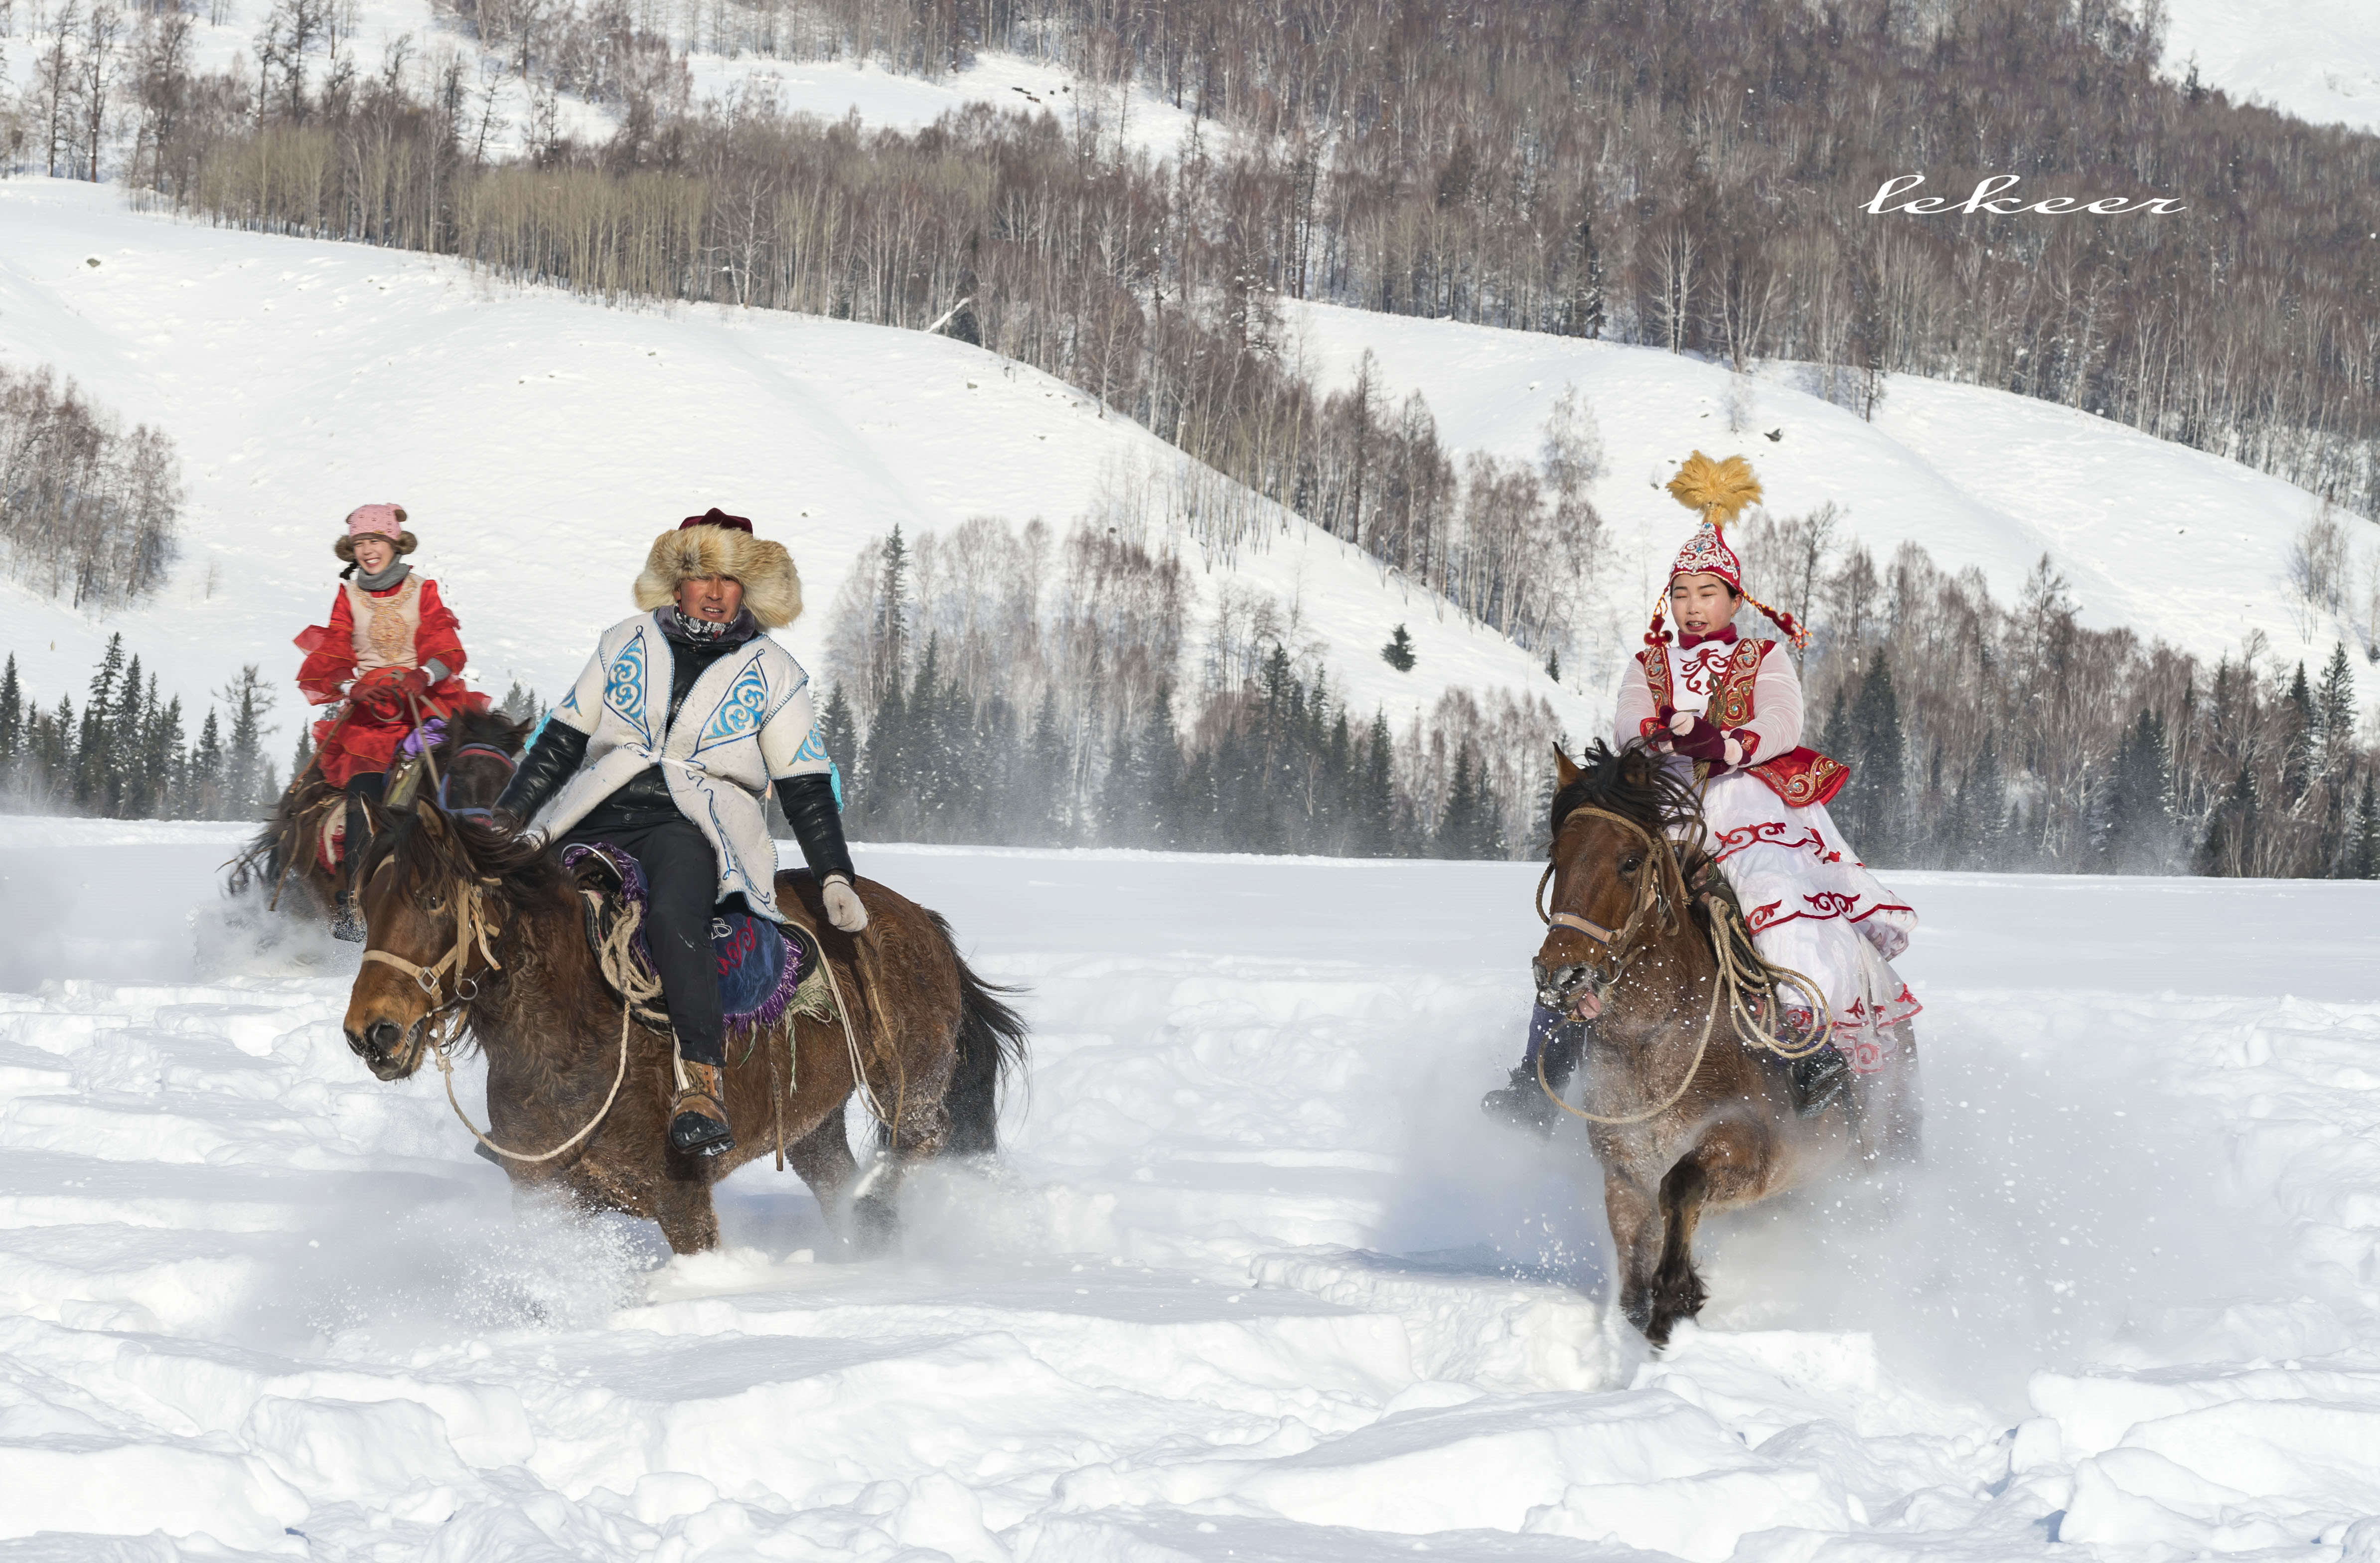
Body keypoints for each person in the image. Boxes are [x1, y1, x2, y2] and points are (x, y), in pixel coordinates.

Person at [1484, 452, 1920, 1132]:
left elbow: (1783, 721)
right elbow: (1631, 718)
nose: (1693, 607)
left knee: (1776, 901)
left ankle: (1808, 1048)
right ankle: (1541, 1071)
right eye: (1682, 594)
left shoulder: (1762, 658)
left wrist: (1725, 744)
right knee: (1587, 915)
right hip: (1666, 810)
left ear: (1733, 600)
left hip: (1747, 806)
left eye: (1707, 594)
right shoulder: (1649, 663)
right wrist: (1661, 735)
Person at [492, 508, 865, 1158]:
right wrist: (508, 822)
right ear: (676, 582)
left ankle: (700, 1081)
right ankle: (523, 1097)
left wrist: (833, 874)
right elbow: (563, 740)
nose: (715, 592)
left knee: (672, 918)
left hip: (696, 828)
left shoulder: (771, 670)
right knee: (520, 919)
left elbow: (804, 782)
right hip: (591, 816)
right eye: (701, 576)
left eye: (730, 578)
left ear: (750, 589)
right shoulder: (623, 642)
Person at [295, 504, 488, 940]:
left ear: (394, 543)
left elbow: (444, 642)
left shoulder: (423, 590)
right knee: (364, 800)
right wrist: (350, 687)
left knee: (465, 784)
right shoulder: (348, 597)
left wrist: (427, 673)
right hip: (368, 720)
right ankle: (358, 901)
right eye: (360, 544)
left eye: (375, 542)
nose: (368, 551)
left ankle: (478, 882)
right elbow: (336, 655)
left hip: (423, 707)